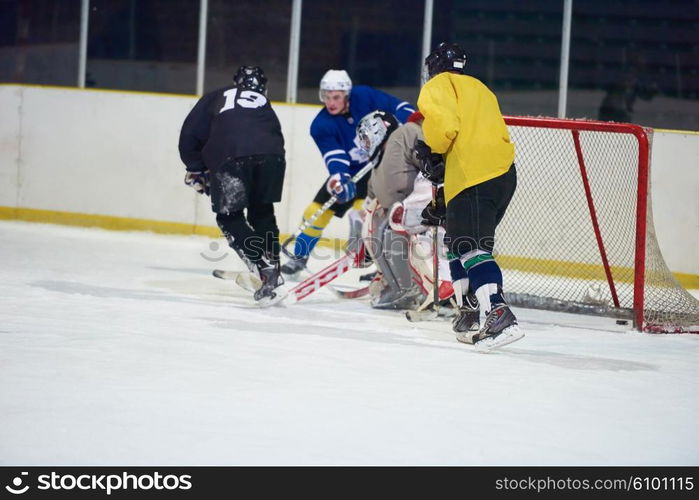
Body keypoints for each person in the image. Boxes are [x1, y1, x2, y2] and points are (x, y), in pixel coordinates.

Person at [416, 42, 524, 350]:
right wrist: (445, 190)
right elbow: (472, 136)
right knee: (459, 241)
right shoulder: (481, 88)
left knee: (470, 247)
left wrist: (434, 153)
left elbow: (445, 128)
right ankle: (472, 313)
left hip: (474, 174)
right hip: (502, 173)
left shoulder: (438, 85)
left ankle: (498, 314)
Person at [280, 69, 416, 277]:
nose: (330, 102)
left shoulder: (365, 97)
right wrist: (339, 178)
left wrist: (411, 122)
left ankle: (384, 267)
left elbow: (398, 107)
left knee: (370, 214)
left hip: (380, 168)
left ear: (347, 94)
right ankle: (298, 258)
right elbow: (334, 157)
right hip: (351, 174)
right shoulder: (321, 125)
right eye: (326, 97)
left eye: (336, 97)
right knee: (314, 212)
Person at [178, 66, 286, 302]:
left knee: (229, 217)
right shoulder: (263, 103)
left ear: (237, 83)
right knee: (262, 210)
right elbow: (271, 135)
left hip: (233, 158)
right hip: (273, 157)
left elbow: (189, 134)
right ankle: (273, 265)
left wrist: (195, 167)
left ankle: (263, 267)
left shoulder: (218, 95)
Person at [360, 110, 453, 310]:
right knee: (379, 234)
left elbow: (431, 164)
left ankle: (433, 290)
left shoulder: (405, 133)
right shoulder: (378, 164)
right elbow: (372, 195)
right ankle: (401, 288)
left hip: (424, 209)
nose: (366, 145)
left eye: (367, 139)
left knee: (392, 235)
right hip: (403, 213)